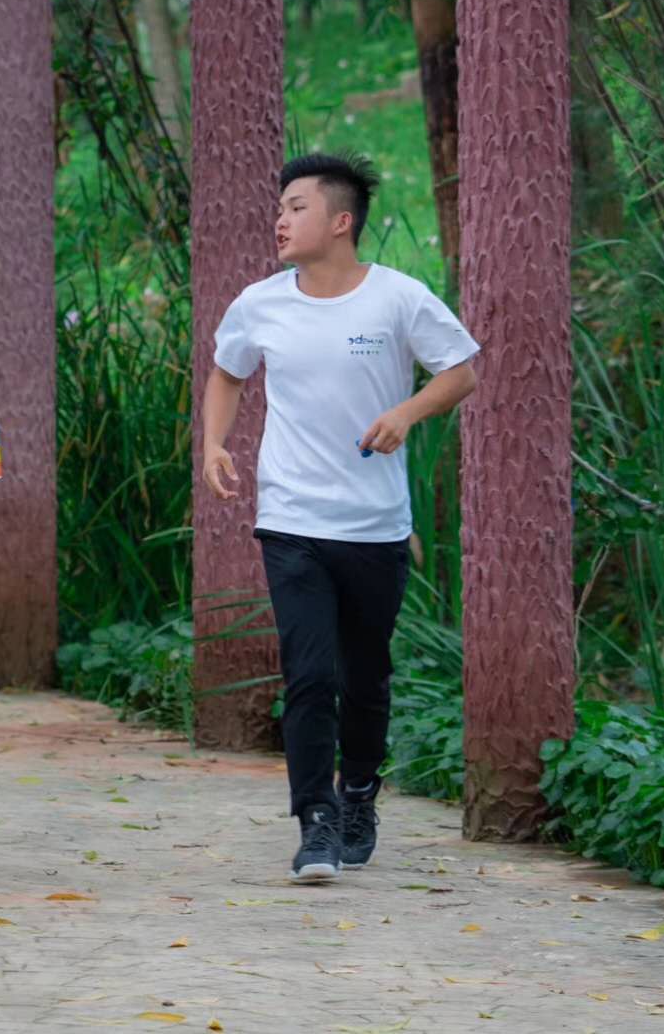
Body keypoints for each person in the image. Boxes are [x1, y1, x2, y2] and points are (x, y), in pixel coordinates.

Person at [201, 152, 479, 883]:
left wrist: (406, 413)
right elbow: (228, 372)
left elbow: (460, 370)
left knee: (364, 677)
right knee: (307, 674)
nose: (281, 219)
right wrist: (212, 444)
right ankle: (315, 822)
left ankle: (358, 791)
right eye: (281, 207)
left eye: (296, 207)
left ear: (340, 221)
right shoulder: (260, 302)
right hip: (290, 518)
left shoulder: (397, 298)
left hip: (375, 525)